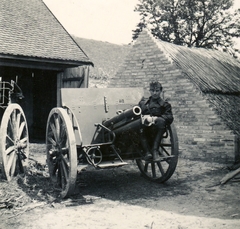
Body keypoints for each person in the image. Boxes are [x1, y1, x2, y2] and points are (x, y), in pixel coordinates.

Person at [138, 81, 174, 161]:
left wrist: (155, 119)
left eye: (157, 91)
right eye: (152, 91)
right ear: (149, 91)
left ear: (160, 91)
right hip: (144, 130)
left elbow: (169, 117)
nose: (155, 93)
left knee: (161, 121)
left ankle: (155, 151)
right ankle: (146, 152)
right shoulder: (143, 103)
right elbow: (136, 113)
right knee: (137, 124)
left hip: (156, 129)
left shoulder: (165, 105)